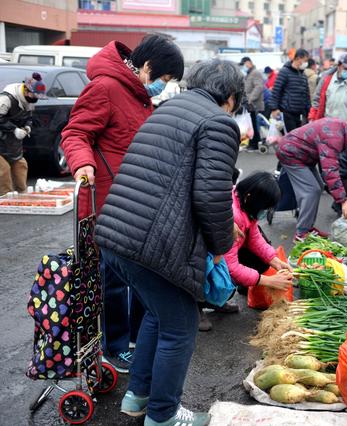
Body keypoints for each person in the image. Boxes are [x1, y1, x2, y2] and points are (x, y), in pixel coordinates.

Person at [95, 59, 244, 426]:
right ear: (229, 96)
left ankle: (138, 397)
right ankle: (163, 415)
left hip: (117, 236)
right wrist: (222, 246)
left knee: (156, 316)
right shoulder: (219, 122)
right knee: (180, 326)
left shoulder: (167, 109)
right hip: (152, 243)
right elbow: (210, 196)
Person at [61, 34, 184, 374]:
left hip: (132, 199)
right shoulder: (106, 87)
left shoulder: (137, 95)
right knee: (112, 278)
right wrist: (82, 163)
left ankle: (132, 340)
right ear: (147, 67)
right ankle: (114, 347)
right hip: (105, 199)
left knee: (135, 276)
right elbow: (75, 133)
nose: (163, 86)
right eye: (164, 79)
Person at [199, 172, 293, 331]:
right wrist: (268, 281)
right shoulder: (232, 215)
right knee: (223, 279)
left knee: (260, 261)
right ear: (250, 196)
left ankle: (217, 300)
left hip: (224, 255)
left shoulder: (245, 203)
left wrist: (275, 260)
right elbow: (231, 268)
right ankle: (197, 306)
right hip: (203, 260)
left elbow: (254, 237)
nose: (265, 211)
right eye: (265, 207)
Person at [276, 118, 347, 240]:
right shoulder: (334, 138)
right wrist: (343, 201)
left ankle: (307, 228)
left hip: (303, 154)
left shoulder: (341, 129)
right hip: (291, 153)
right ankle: (301, 233)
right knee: (310, 191)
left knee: (317, 187)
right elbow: (330, 171)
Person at [0, 73, 46, 195]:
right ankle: (5, 198)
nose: (36, 97)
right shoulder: (6, 99)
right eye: (34, 94)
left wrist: (27, 127)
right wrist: (14, 129)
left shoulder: (29, 101)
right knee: (3, 170)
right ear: (26, 90)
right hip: (3, 138)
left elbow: (29, 118)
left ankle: (22, 194)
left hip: (12, 143)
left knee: (21, 165)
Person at [309, 53, 347, 123]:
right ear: (339, 66)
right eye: (346, 68)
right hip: (325, 124)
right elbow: (316, 100)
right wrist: (312, 118)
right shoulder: (326, 79)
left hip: (346, 127)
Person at [269, 48, 311, 132]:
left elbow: (306, 95)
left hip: (299, 113)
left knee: (297, 137)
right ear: (298, 58)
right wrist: (274, 108)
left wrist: (308, 112)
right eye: (305, 60)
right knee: (291, 137)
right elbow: (276, 90)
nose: (306, 63)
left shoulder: (303, 75)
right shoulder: (285, 72)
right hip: (287, 112)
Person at [240, 57, 265, 151]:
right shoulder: (249, 73)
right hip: (249, 104)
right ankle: (253, 142)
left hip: (254, 104)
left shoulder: (255, 72)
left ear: (249, 62)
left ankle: (254, 144)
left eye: (244, 64)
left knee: (254, 124)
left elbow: (259, 87)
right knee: (251, 124)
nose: (243, 66)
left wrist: (250, 99)